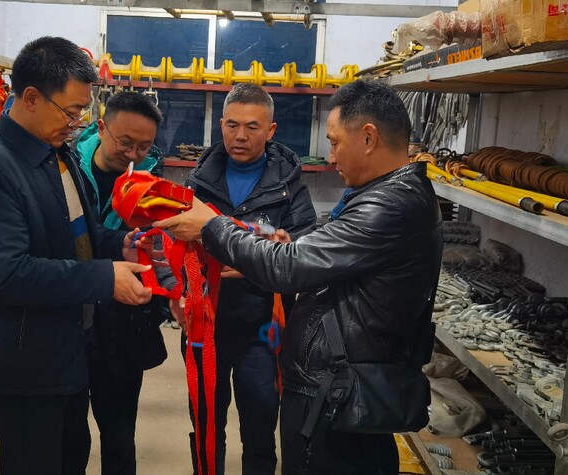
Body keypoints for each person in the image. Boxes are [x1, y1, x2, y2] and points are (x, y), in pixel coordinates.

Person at [155, 80, 442, 474]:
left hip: (336, 384)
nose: (331, 155)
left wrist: (212, 226)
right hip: (311, 372)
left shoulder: (387, 206)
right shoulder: (385, 195)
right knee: (208, 425)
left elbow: (287, 267)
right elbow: (314, 256)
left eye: (335, 142)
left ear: (368, 138)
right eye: (232, 125)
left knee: (266, 435)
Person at [0, 36, 153, 475]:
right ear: (30, 98)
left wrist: (117, 245)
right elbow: (8, 274)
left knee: (71, 458)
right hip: (29, 368)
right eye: (71, 111)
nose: (77, 123)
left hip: (69, 353)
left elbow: (75, 233)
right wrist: (105, 278)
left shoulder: (56, 154)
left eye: (82, 111)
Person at [177, 83, 316, 475]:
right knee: (206, 428)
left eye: (252, 127)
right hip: (205, 325)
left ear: (270, 130)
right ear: (221, 124)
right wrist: (178, 287)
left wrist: (246, 260)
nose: (240, 135)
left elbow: (304, 251)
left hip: (263, 331)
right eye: (232, 125)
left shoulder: (289, 188)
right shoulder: (198, 181)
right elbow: (176, 244)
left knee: (259, 430)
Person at [74, 91, 168, 475]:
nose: (132, 155)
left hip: (122, 321)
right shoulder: (66, 170)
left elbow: (160, 247)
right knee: (69, 435)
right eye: (125, 142)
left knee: (119, 433)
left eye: (144, 147)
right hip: (70, 317)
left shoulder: (151, 181)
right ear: (101, 127)